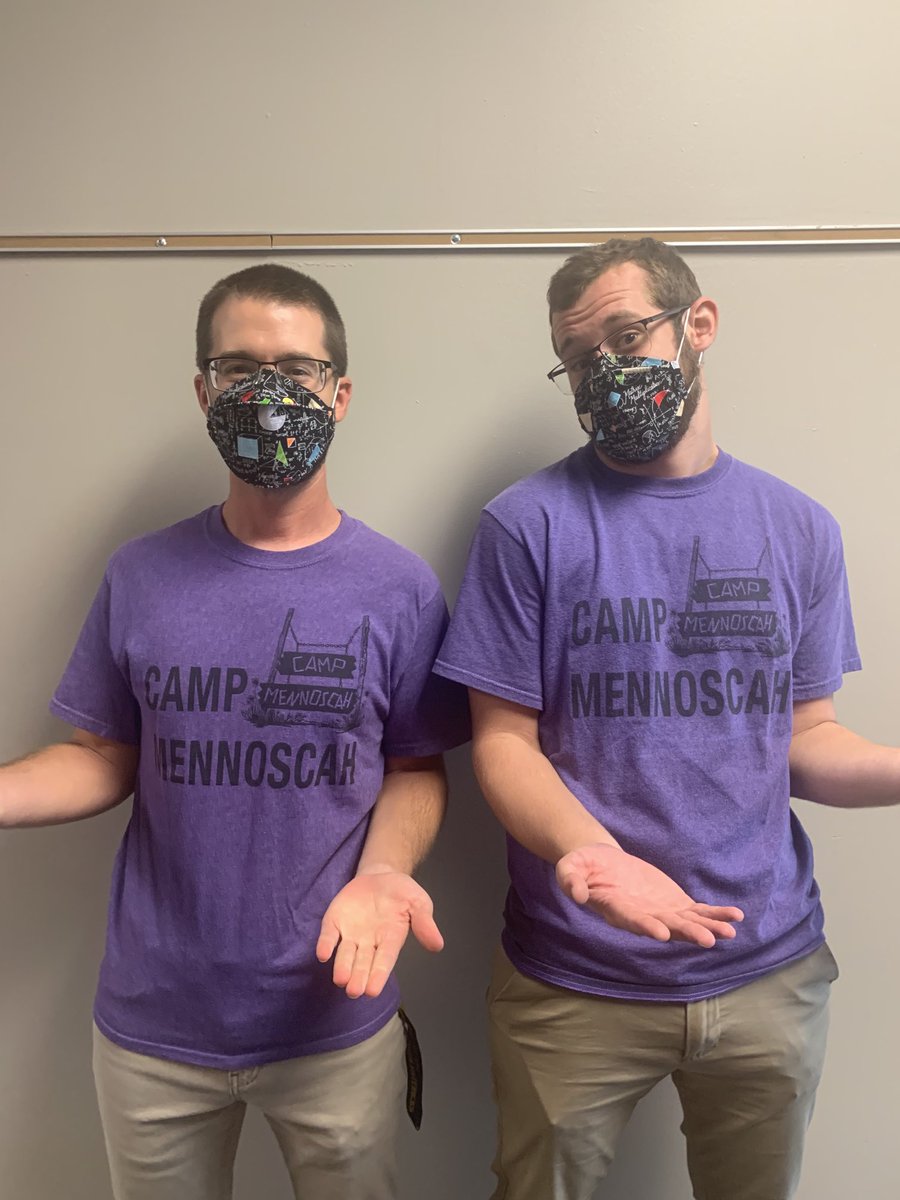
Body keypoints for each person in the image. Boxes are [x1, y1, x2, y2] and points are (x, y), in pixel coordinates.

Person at [433, 237, 898, 1200]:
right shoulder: (529, 524)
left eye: (625, 334)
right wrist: (591, 857)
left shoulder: (799, 528)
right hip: (574, 974)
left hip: (766, 967)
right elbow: (502, 745)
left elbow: (806, 742)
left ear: (700, 324)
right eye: (579, 355)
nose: (605, 369)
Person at [0, 264, 469, 1200]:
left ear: (340, 392)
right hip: (154, 1023)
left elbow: (417, 766)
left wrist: (386, 872)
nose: (270, 392)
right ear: (203, 389)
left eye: (297, 370)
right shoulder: (141, 574)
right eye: (241, 367)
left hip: (335, 1016)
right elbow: (100, 759)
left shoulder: (399, 586)